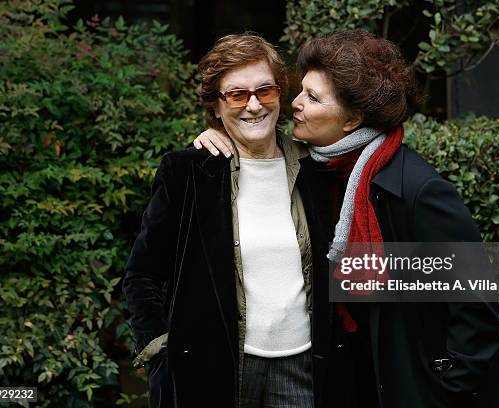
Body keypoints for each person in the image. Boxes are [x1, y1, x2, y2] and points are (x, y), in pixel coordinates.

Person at [194, 30, 499, 408]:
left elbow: (476, 305)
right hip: (352, 381)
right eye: (300, 90)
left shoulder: (418, 191)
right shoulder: (321, 171)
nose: (296, 103)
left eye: (313, 97)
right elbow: (252, 131)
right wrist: (219, 129)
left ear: (352, 119)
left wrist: (443, 389)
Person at [122, 34, 351, 408]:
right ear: (216, 104)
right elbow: (141, 273)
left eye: (265, 90)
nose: (254, 105)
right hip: (211, 371)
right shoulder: (188, 173)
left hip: (303, 368)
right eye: (237, 95)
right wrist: (162, 348)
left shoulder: (318, 170)